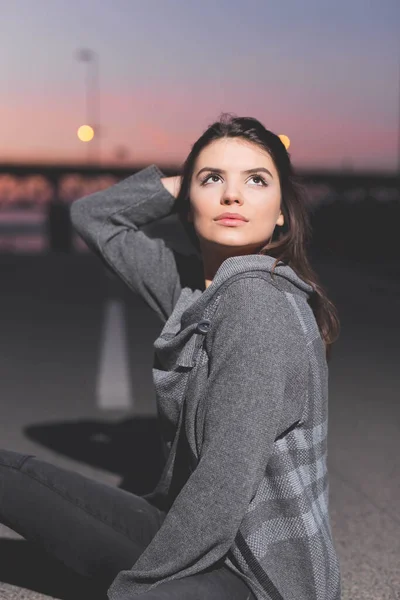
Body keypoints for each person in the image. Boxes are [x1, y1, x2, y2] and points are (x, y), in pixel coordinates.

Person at [0, 113, 342, 599]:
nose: (232, 195)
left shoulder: (256, 303)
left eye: (256, 180)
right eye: (214, 180)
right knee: (13, 475)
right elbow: (93, 217)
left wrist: (136, 586)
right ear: (188, 203)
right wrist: (187, 179)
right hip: (193, 535)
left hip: (259, 576)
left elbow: (224, 485)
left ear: (283, 210)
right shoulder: (195, 289)